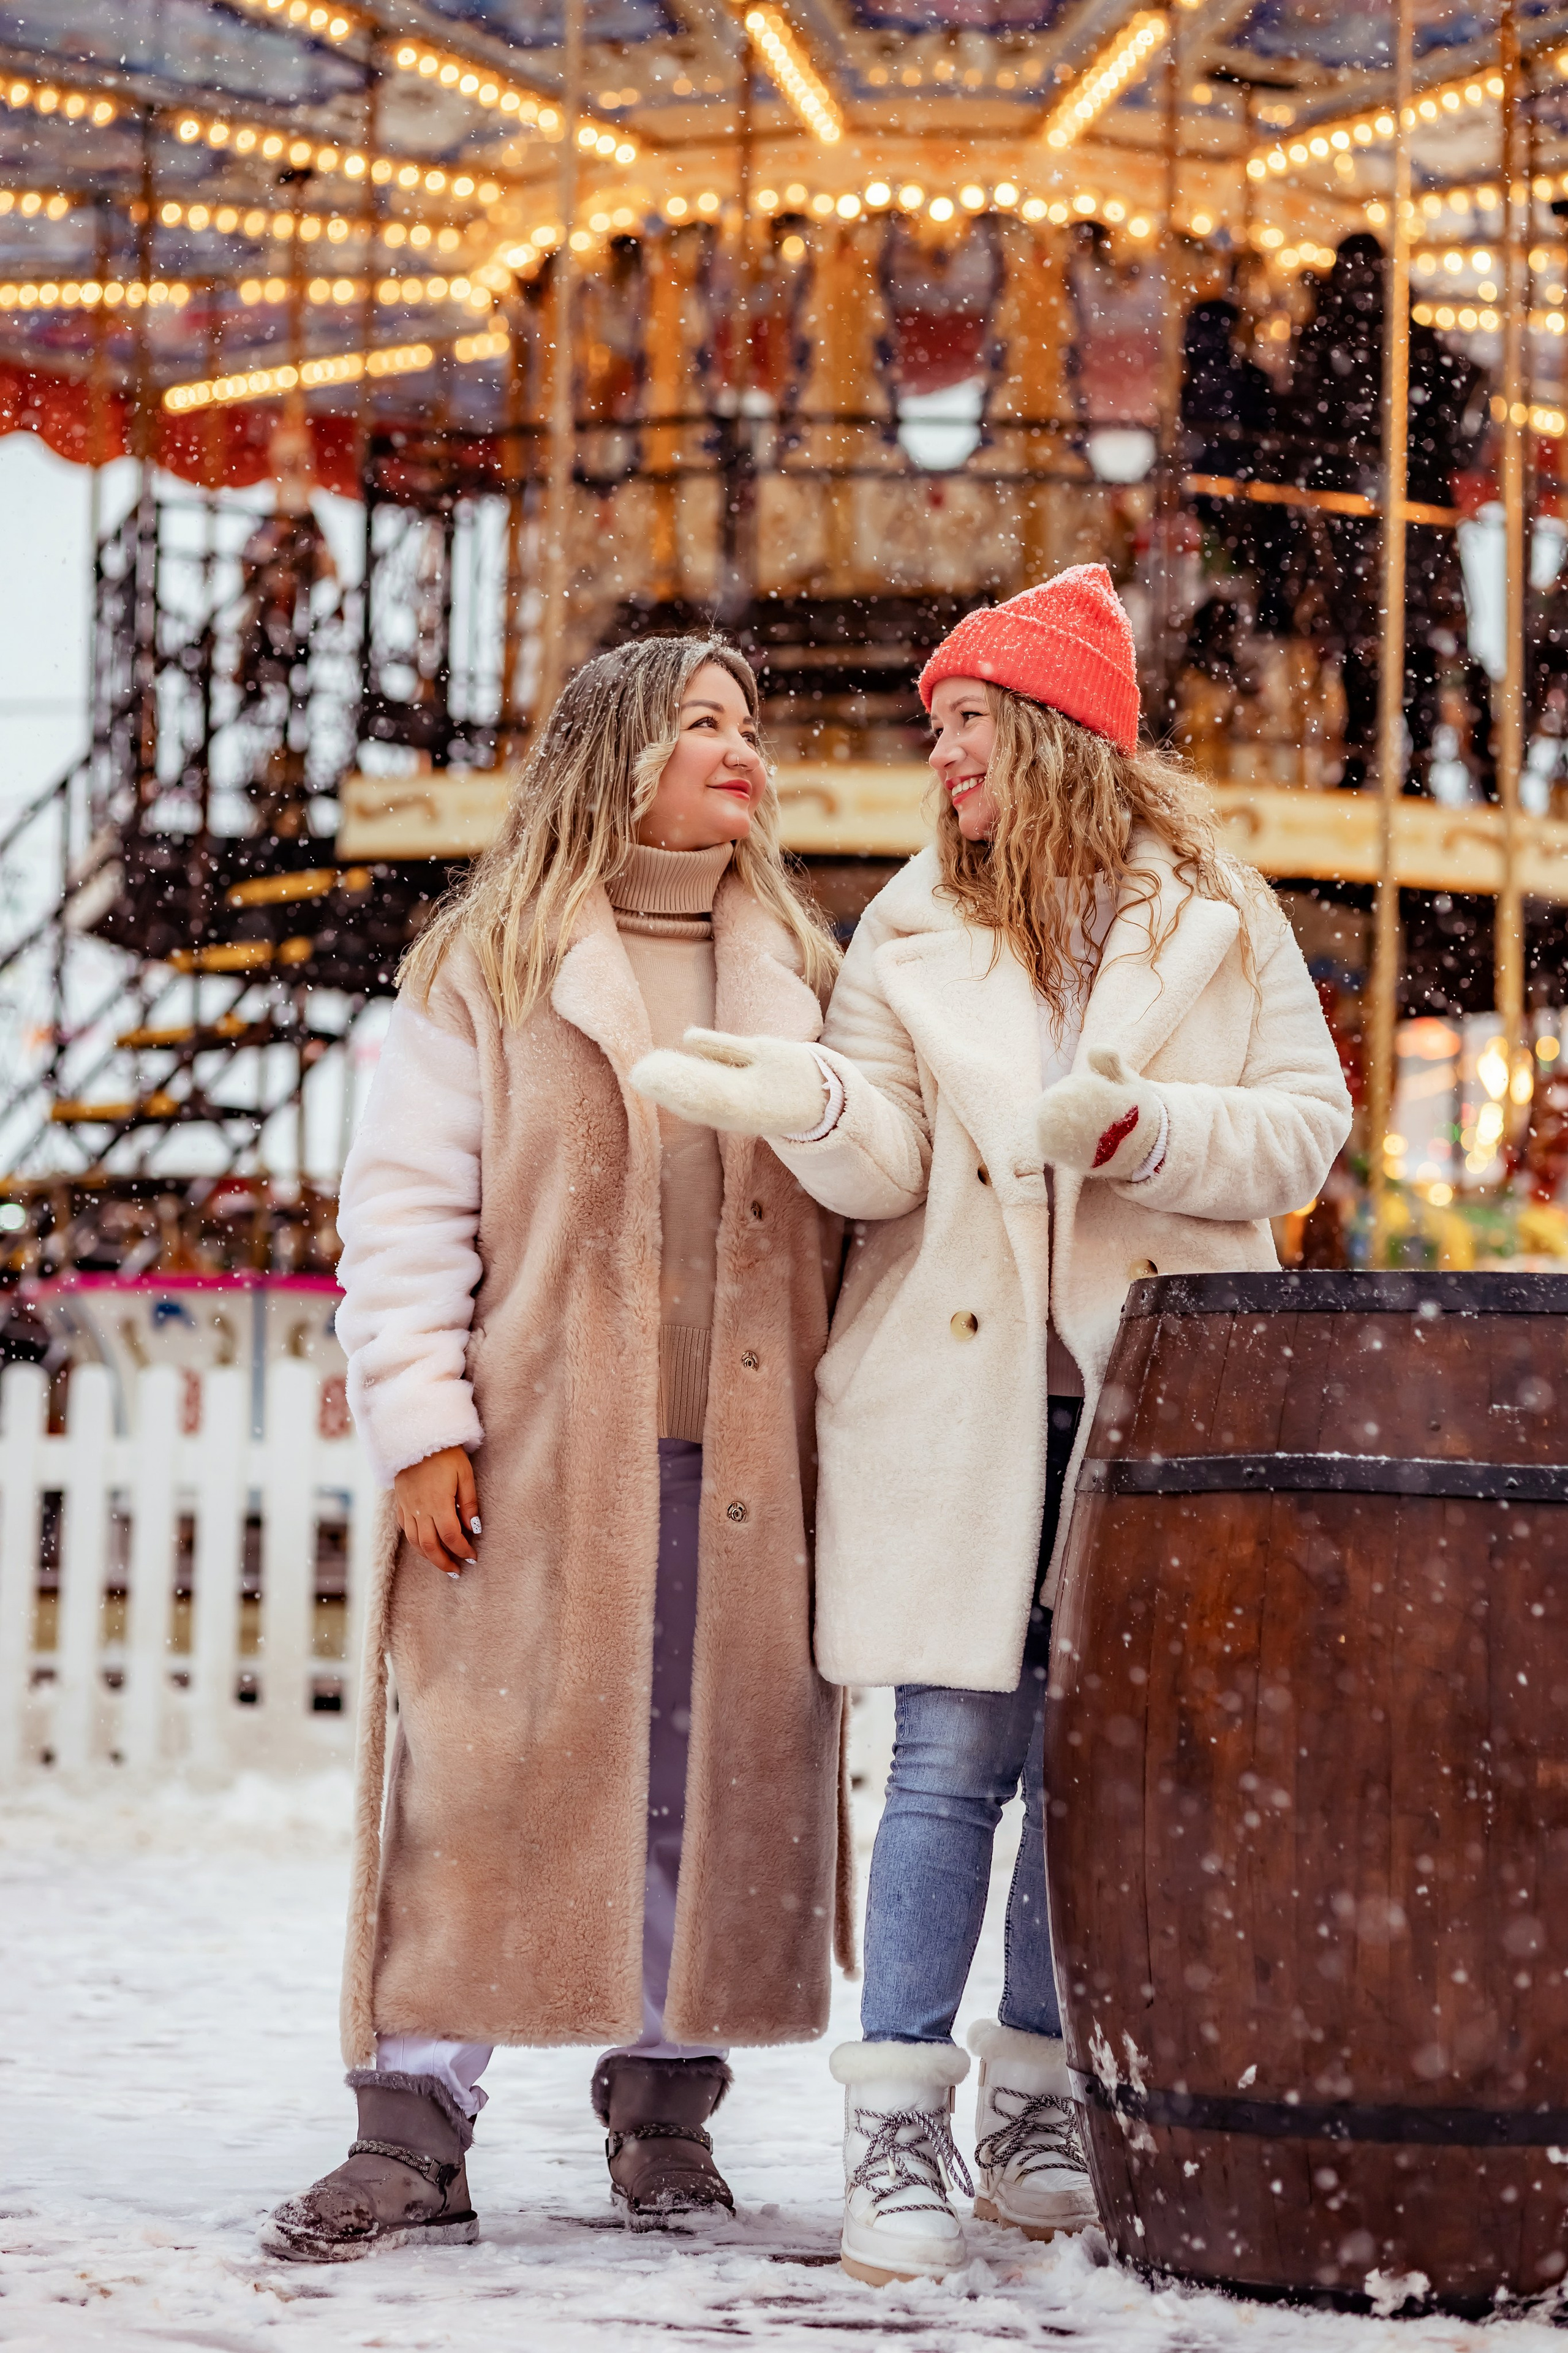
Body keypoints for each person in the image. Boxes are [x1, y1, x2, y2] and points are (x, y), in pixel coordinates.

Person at [633, 565, 1353, 2284]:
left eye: (966, 721)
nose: (941, 753)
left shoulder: (1216, 911)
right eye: (935, 724)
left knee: (1091, 1765)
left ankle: (1037, 2095)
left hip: (1150, 1400)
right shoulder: (911, 924)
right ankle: (897, 2121)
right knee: (955, 1755)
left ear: (1050, 728)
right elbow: (882, 1153)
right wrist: (798, 1097)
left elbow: (1302, 1128)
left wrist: (1138, 1132)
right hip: (960, 1405)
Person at [263, 636, 852, 2262]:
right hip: (533, 1454)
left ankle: (665, 2111)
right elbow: (401, 1213)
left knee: (700, 1784)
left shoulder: (800, 969)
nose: (742, 747)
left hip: (735, 1466)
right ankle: (412, 2122)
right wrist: (423, 1423)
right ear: (618, 754)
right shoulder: (495, 962)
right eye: (703, 722)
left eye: (749, 722)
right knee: (487, 1774)